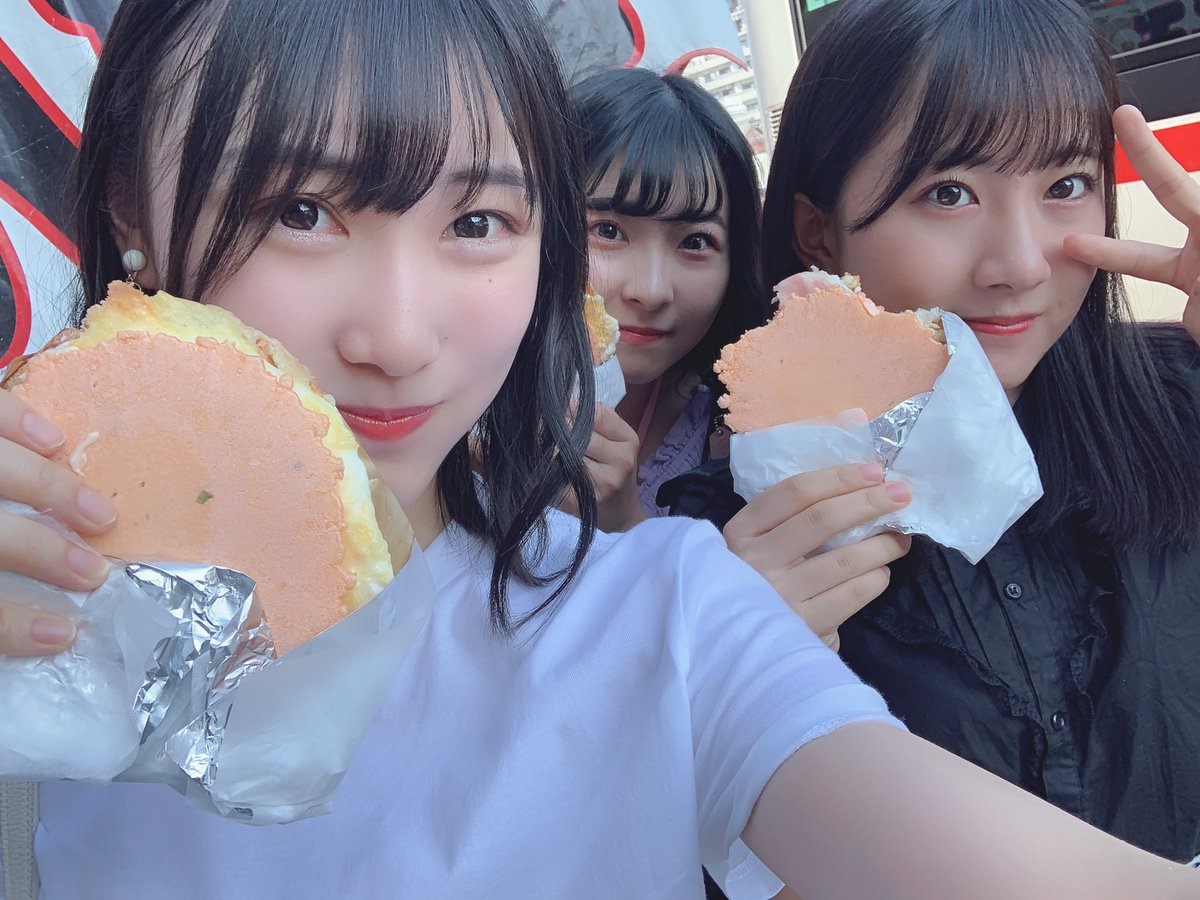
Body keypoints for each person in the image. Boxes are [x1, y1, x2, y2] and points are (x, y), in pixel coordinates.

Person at [0, 0, 1196, 897]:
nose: (399, 337)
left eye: (479, 221)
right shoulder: (40, 581)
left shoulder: (675, 606)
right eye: (300, 212)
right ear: (129, 207)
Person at [668, 0, 1200, 868]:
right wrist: (738, 681)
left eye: (1065, 186)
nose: (1020, 263)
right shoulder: (737, 544)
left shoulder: (1181, 398)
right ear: (819, 232)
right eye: (948, 193)